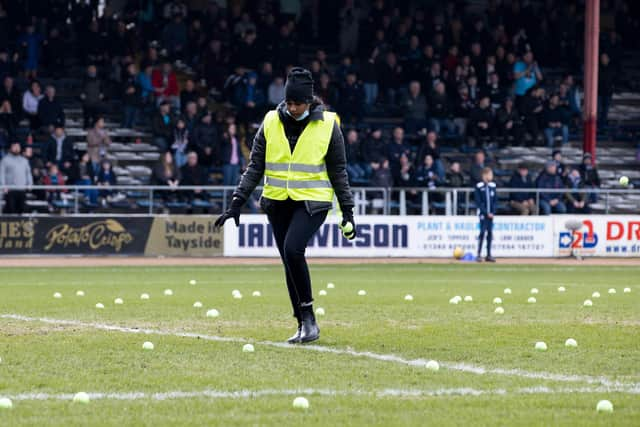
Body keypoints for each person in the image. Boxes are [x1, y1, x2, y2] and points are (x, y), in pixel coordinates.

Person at [214, 67, 355, 344]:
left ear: (309, 101)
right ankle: (302, 323)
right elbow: (255, 166)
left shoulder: (328, 124)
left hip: (313, 203)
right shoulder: (270, 121)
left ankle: (310, 319)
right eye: (288, 102)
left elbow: (339, 171)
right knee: (288, 261)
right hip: (278, 202)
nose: (292, 108)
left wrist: (347, 211)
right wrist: (236, 202)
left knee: (293, 249)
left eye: (297, 103)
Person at [0, 142, 33, 214]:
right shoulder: (5, 160)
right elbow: (1, 174)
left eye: (18, 146)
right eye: (14, 146)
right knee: (11, 210)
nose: (16, 148)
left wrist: (30, 184)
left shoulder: (24, 160)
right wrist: (3, 186)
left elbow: (28, 173)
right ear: (10, 148)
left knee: (21, 210)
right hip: (10, 190)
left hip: (22, 189)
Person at [475, 167, 496, 262]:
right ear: (484, 175)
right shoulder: (479, 186)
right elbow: (478, 202)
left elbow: (495, 201)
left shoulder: (493, 186)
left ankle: (489, 254)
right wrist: (486, 212)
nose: (491, 176)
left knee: (490, 233)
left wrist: (493, 212)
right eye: (490, 174)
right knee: (482, 232)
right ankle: (479, 254)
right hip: (483, 215)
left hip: (491, 215)